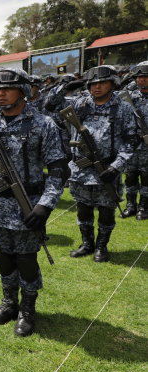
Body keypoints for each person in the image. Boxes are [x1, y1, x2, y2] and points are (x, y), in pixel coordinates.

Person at [0, 68, 66, 337]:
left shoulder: (42, 124)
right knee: (4, 255)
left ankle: (27, 308)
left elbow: (58, 169)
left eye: (7, 89)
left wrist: (46, 204)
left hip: (29, 204)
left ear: (23, 91)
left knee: (25, 258)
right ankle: (9, 302)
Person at [46, 65, 137, 262]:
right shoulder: (79, 104)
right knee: (83, 208)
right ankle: (87, 243)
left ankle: (101, 246)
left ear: (113, 83)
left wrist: (116, 166)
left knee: (106, 211)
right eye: (93, 83)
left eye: (102, 82)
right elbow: (50, 105)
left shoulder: (123, 108)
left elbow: (131, 141)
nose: (97, 87)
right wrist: (65, 87)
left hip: (107, 169)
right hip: (80, 169)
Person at [119, 61, 148, 220]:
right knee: (129, 175)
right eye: (138, 77)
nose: (140, 80)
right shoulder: (128, 97)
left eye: (144, 77)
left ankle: (144, 206)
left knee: (146, 176)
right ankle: (131, 205)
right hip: (131, 145)